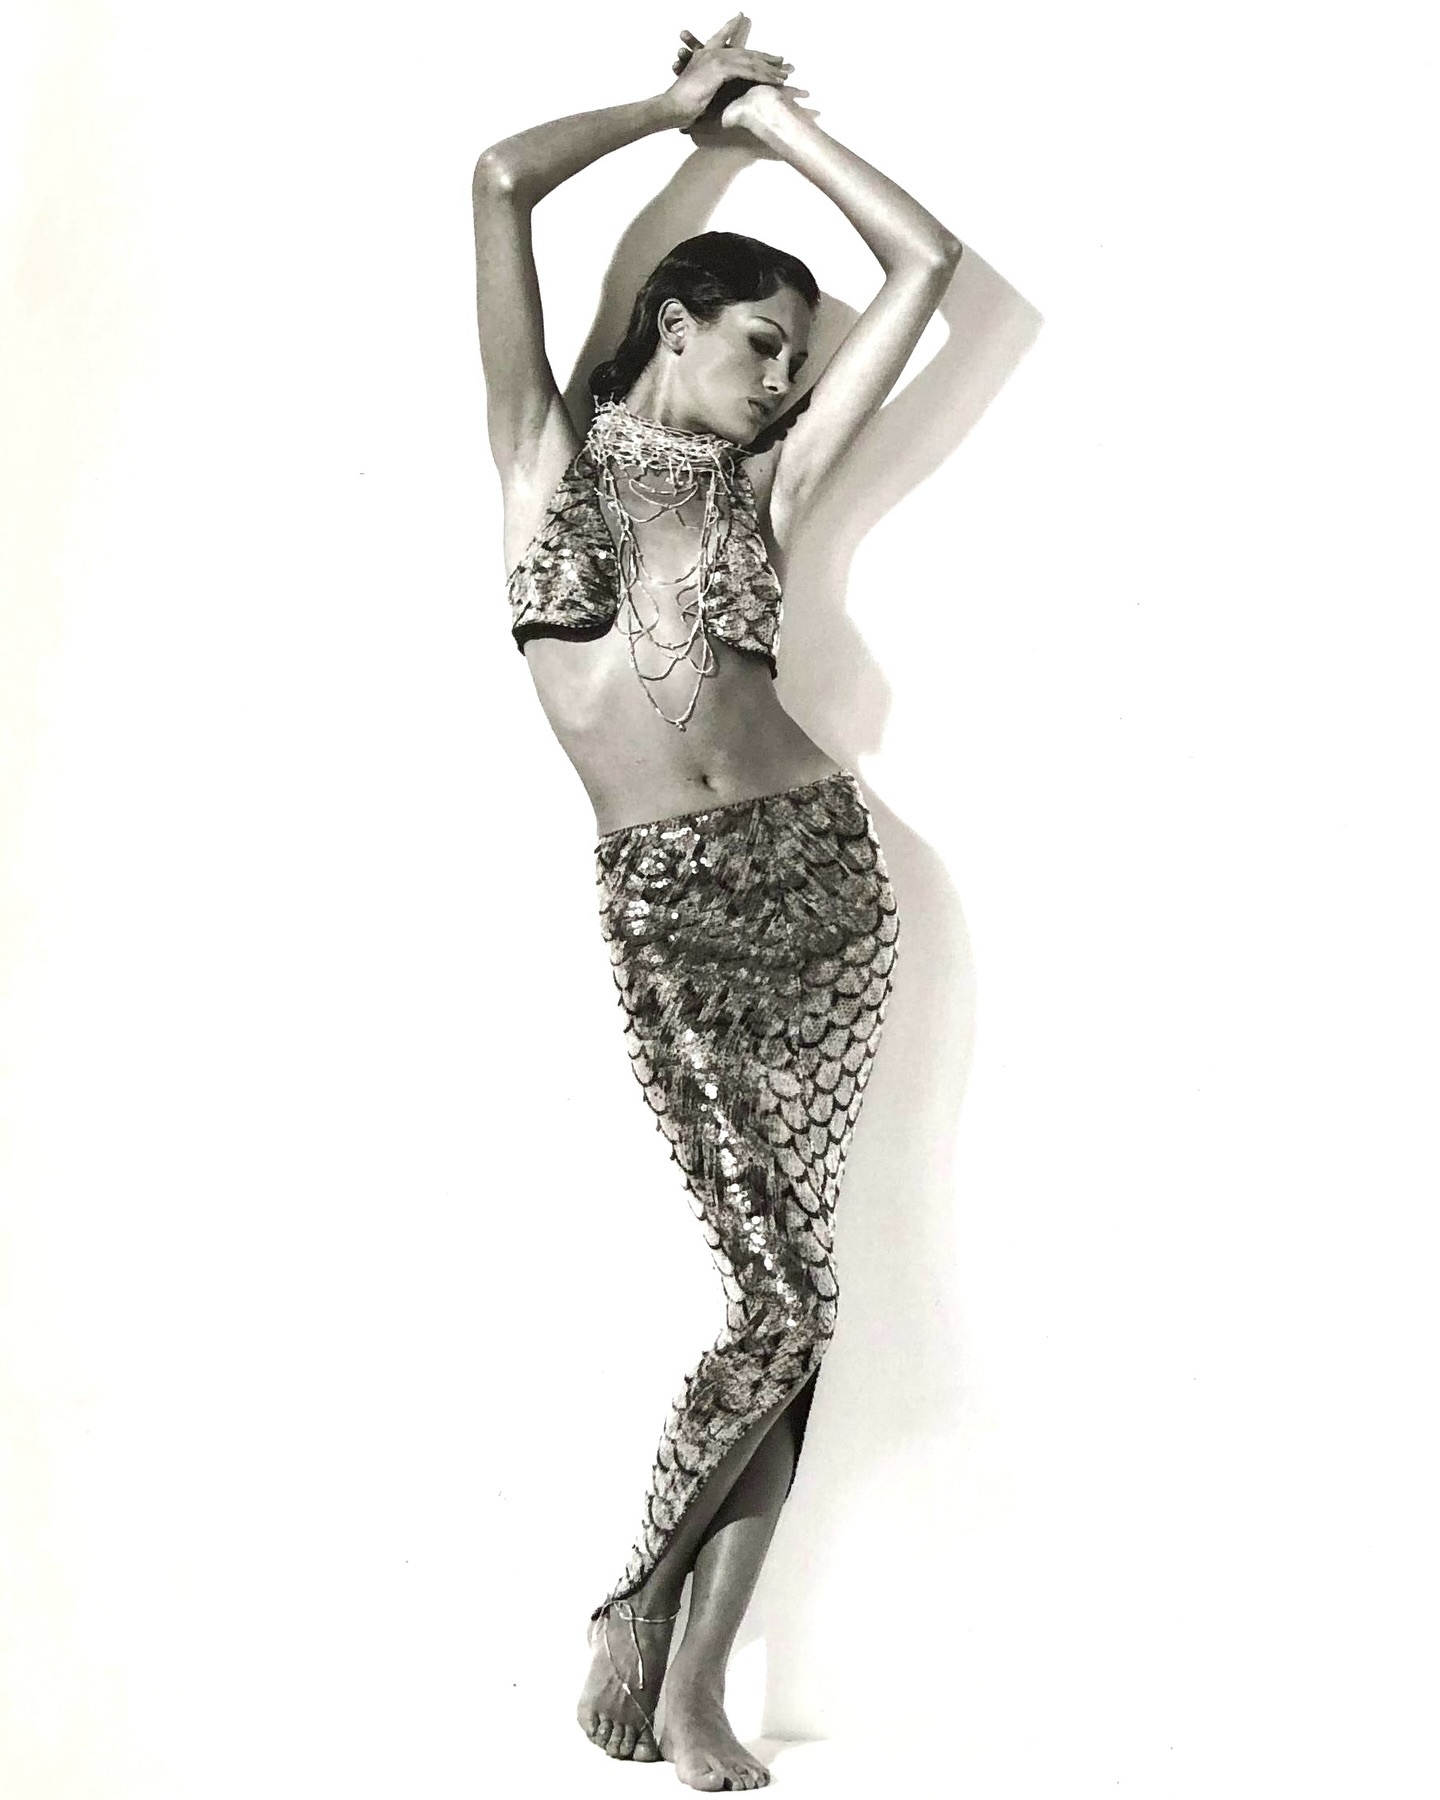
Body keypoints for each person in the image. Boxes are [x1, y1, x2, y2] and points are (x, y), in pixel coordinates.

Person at [471, 13, 960, 1789]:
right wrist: (690, 113)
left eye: (796, 359)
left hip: (819, 884)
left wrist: (783, 129)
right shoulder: (540, 454)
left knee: (794, 1298)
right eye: (761, 341)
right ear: (673, 322)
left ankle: (676, 1665)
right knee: (783, 1298)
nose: (780, 378)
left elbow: (928, 265)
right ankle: (655, 1629)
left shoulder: (770, 481)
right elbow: (499, 182)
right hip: (664, 905)